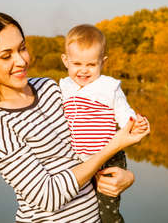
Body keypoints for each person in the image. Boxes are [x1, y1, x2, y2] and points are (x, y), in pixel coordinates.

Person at [0, 11, 150, 222]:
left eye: (22, 48)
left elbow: (85, 146)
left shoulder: (48, 87)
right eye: (6, 56)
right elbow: (48, 196)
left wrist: (125, 176)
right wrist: (113, 147)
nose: (21, 61)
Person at [60, 24, 146, 222]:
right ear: (66, 61)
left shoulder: (108, 87)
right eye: (77, 64)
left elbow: (124, 113)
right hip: (77, 160)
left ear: (103, 62)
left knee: (107, 210)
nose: (83, 70)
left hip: (108, 158)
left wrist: (135, 124)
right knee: (81, 206)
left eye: (91, 65)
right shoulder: (64, 86)